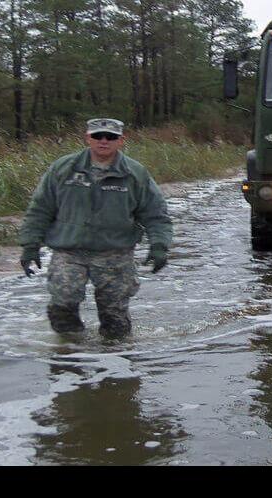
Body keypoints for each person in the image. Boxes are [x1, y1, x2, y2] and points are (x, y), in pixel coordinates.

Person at [18, 118, 173, 340]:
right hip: (69, 252)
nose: (103, 141)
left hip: (115, 253)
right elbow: (40, 209)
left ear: (121, 140)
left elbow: (156, 214)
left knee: (115, 318)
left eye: (111, 137)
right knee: (62, 304)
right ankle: (70, 353)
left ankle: (115, 365)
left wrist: (159, 245)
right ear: (87, 138)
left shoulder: (135, 173)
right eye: (97, 136)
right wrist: (30, 245)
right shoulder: (63, 169)